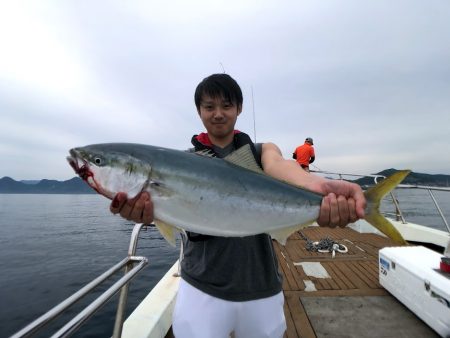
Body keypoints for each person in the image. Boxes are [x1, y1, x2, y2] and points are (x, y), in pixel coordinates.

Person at [110, 74, 366, 338]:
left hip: (261, 286)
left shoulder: (259, 151)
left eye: (227, 106)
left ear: (239, 108)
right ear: (199, 111)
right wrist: (145, 214)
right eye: (209, 107)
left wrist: (314, 185)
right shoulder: (182, 164)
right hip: (201, 287)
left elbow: (279, 166)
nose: (218, 114)